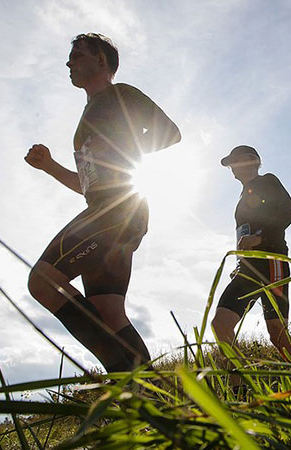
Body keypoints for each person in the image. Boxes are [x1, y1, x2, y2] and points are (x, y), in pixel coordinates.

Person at [24, 33, 181, 373]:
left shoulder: (119, 94)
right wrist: (49, 166)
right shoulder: (85, 120)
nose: (69, 62)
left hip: (117, 210)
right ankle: (152, 393)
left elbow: (170, 132)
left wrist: (124, 148)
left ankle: (125, 382)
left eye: (77, 55)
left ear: (101, 60)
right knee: (109, 312)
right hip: (106, 208)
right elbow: (87, 186)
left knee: (43, 282)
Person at [211, 145, 291, 363]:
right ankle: (240, 382)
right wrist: (240, 262)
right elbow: (244, 234)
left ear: (252, 160)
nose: (232, 167)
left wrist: (260, 238)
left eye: (235, 161)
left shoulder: (267, 181)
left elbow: (289, 211)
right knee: (220, 325)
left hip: (271, 262)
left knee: (277, 334)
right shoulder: (244, 195)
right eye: (230, 164)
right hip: (247, 268)